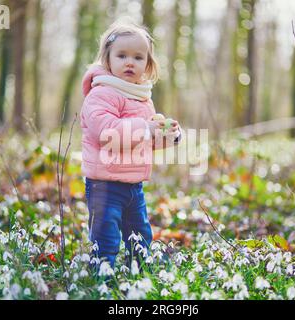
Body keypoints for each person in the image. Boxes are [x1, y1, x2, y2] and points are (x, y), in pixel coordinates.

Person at [80, 19, 182, 269]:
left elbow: (143, 141)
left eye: (138, 57)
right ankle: (102, 277)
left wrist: (166, 136)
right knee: (106, 237)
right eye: (122, 55)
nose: (129, 62)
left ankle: (139, 274)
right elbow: (106, 132)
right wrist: (143, 128)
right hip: (105, 185)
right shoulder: (101, 93)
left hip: (134, 185)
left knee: (140, 234)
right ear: (108, 59)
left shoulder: (142, 97)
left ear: (147, 64)